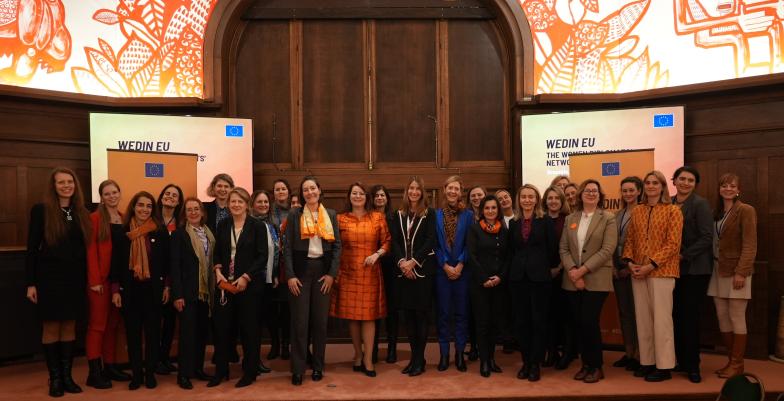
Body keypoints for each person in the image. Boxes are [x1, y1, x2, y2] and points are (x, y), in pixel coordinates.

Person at [26, 167, 92, 397]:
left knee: (70, 327)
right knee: (51, 327)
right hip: (49, 279)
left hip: (74, 279)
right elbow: (32, 249)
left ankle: (67, 377)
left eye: (70, 182)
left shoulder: (80, 212)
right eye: (61, 182)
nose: (66, 186)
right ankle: (54, 378)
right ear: (53, 186)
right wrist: (31, 283)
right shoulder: (41, 210)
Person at [622, 170, 683, 382]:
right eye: (647, 182)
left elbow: (673, 245)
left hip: (662, 272)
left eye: (655, 183)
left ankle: (665, 366)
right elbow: (629, 240)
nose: (650, 186)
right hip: (637, 271)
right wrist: (630, 263)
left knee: (662, 320)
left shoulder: (673, 211)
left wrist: (650, 265)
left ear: (663, 186)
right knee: (643, 319)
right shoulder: (637, 211)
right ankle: (647, 362)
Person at [208, 188, 268, 388]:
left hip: (248, 286)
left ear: (246, 204)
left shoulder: (257, 226)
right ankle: (221, 371)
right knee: (222, 329)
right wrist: (217, 271)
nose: (235, 204)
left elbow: (262, 257)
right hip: (225, 285)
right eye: (232, 201)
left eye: (239, 201)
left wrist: (246, 276)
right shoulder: (223, 225)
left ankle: (250, 372)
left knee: (250, 331)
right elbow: (217, 253)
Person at [110, 191, 170, 390]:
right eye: (141, 205)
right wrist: (115, 290)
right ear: (133, 207)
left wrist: (167, 286)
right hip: (130, 291)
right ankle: (137, 375)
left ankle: (150, 373)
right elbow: (116, 264)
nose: (145, 209)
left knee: (153, 335)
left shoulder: (160, 231)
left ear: (153, 209)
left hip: (153, 290)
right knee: (133, 336)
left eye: (149, 206)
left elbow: (166, 263)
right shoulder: (123, 232)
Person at [285, 176, 342, 385]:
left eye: (313, 188)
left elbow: (337, 247)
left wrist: (331, 274)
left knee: (320, 323)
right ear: (302, 194)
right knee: (300, 323)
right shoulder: (294, 214)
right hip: (300, 273)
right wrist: (290, 275)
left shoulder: (331, 215)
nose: (309, 192)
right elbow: (288, 248)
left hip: (322, 273)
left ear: (319, 190)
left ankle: (318, 366)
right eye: (305, 190)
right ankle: (298, 369)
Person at [330, 183, 391, 377]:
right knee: (353, 318)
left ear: (367, 197)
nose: (357, 196)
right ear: (349, 197)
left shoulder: (377, 217)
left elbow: (387, 241)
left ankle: (368, 359)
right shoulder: (340, 219)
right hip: (347, 273)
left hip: (370, 272)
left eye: (361, 193)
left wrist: (378, 254)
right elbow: (333, 246)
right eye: (354, 193)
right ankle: (357, 354)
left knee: (369, 317)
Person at [560, 179, 618, 383]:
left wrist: (582, 270)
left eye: (595, 191)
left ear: (600, 195)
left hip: (597, 278)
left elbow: (608, 249)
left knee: (589, 321)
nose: (591, 194)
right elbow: (564, 249)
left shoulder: (608, 218)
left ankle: (596, 366)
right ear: (581, 194)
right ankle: (585, 365)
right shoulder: (571, 218)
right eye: (587, 190)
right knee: (579, 323)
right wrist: (573, 272)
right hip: (572, 279)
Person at [708, 173, 757, 378]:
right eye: (724, 185)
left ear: (738, 190)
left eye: (732, 186)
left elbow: (750, 244)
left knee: (737, 316)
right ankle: (731, 361)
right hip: (718, 270)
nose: (728, 188)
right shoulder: (717, 212)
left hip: (737, 271)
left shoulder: (745, 210)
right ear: (719, 189)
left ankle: (737, 364)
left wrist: (741, 272)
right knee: (722, 316)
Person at [508, 184, 559, 382]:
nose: (527, 200)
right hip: (518, 279)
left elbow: (552, 249)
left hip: (540, 279)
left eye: (531, 196)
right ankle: (526, 361)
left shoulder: (545, 221)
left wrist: (542, 266)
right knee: (521, 322)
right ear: (519, 200)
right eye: (524, 197)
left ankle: (536, 363)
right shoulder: (514, 222)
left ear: (537, 199)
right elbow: (511, 250)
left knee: (539, 321)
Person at [389, 176, 436, 377]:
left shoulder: (429, 214)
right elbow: (396, 242)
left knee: (421, 316)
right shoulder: (399, 214)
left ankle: (419, 359)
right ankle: (414, 358)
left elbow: (430, 240)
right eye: (411, 188)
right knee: (408, 318)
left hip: (421, 271)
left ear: (422, 192)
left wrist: (413, 262)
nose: (414, 192)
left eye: (418, 189)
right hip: (403, 273)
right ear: (406, 191)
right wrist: (402, 263)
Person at [85, 180, 130, 389]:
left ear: (120, 194)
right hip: (100, 282)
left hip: (116, 281)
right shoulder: (94, 219)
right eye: (107, 193)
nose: (111, 196)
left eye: (114, 192)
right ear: (101, 197)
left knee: (113, 325)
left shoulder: (123, 218)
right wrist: (94, 281)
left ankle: (110, 366)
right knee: (97, 326)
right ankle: (94, 372)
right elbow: (89, 251)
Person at [671, 166, 713, 383]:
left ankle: (693, 366)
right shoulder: (667, 203)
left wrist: (683, 256)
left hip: (695, 270)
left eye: (690, 180)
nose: (685, 183)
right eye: (682, 179)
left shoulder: (700, 204)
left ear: (695, 184)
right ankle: (681, 361)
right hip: (671, 271)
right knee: (675, 316)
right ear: (674, 181)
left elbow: (707, 237)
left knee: (690, 318)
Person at [170, 197, 216, 389]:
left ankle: (197, 368)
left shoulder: (209, 233)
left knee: (201, 333)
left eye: (197, 209)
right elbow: (175, 267)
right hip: (188, 293)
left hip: (206, 293)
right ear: (185, 214)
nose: (194, 212)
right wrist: (177, 295)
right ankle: (183, 374)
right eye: (189, 210)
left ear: (202, 212)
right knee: (187, 335)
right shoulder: (179, 235)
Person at [434, 176, 474, 372]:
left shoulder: (468, 216)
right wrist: (444, 265)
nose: (452, 191)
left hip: (462, 272)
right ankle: (444, 355)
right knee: (443, 314)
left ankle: (459, 354)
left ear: (461, 192)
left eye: (456, 189)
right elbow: (434, 244)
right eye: (450, 188)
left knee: (461, 314)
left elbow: (470, 243)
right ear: (444, 190)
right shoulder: (436, 215)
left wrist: (459, 264)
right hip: (442, 273)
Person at [466, 195, 509, 377]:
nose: (490, 211)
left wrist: (499, 277)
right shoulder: (475, 229)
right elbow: (472, 256)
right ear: (482, 211)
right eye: (487, 208)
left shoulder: (505, 230)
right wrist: (484, 278)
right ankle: (484, 361)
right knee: (482, 323)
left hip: (499, 284)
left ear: (498, 210)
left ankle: (492, 359)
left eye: (493, 208)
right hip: (480, 284)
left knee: (494, 323)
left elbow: (509, 257)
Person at [541, 185, 576, 370]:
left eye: (557, 198)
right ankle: (551, 351)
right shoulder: (540, 219)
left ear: (562, 202)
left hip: (566, 273)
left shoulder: (569, 220)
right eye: (550, 198)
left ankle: (568, 353)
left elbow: (572, 247)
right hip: (544, 274)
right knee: (548, 316)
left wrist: (560, 267)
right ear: (545, 200)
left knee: (566, 316)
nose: (553, 201)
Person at [612, 176, 643, 373]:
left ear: (639, 191)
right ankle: (629, 351)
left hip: (637, 271)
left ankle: (641, 355)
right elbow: (612, 243)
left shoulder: (644, 213)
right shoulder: (617, 215)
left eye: (631, 190)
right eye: (624, 190)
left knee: (639, 314)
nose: (628, 194)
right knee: (625, 314)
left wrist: (629, 267)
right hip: (618, 271)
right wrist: (615, 267)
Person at [155, 184, 183, 375]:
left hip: (173, 279)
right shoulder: (152, 220)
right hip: (154, 279)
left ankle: (164, 357)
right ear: (161, 197)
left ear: (179, 201)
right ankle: (154, 359)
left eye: (174, 195)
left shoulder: (180, 223)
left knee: (170, 323)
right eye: (167, 194)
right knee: (155, 322)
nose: (170, 197)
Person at [370, 184, 400, 364]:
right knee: (373, 311)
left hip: (391, 267)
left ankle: (391, 349)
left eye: (382, 195)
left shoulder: (395, 217)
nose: (380, 198)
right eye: (376, 195)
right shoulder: (367, 217)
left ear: (387, 198)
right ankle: (372, 349)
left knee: (392, 311)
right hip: (373, 267)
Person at [250, 189, 276, 375]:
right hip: (253, 280)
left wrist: (274, 274)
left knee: (261, 321)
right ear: (252, 204)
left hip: (267, 280)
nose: (263, 205)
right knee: (253, 323)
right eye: (259, 202)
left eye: (266, 202)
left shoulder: (271, 224)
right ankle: (252, 361)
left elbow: (275, 252)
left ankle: (254, 359)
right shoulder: (249, 225)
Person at [270, 179, 293, 360]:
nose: (280, 192)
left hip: (288, 266)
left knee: (286, 309)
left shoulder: (295, 211)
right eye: (277, 189)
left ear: (288, 191)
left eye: (283, 188)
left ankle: (286, 344)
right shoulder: (268, 211)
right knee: (271, 309)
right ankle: (274, 344)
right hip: (271, 265)